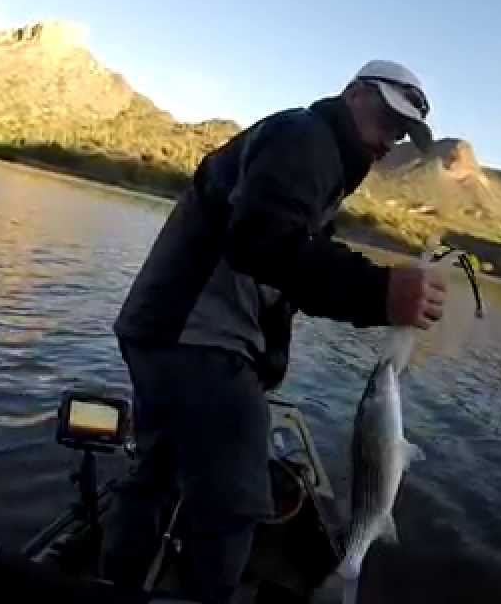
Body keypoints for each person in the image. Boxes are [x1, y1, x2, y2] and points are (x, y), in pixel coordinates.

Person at [102, 60, 448, 603]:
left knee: (157, 477)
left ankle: (118, 584)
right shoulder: (306, 138)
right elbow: (262, 242)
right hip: (200, 342)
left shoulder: (314, 159)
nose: (389, 139)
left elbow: (280, 261)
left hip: (164, 333)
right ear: (353, 93)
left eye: (401, 131)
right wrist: (379, 292)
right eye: (385, 118)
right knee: (235, 506)